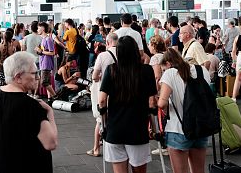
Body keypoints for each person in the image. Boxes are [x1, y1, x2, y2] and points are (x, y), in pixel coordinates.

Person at [0, 51, 58, 173]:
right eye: (34, 73)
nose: (38, 77)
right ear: (18, 77)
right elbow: (51, 143)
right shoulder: (32, 107)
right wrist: (50, 112)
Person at [98, 36, 157, 173]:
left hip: (115, 128)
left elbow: (102, 100)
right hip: (137, 128)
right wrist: (154, 128)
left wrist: (104, 119)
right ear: (136, 51)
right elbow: (152, 101)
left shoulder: (111, 70)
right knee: (139, 169)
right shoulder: (146, 71)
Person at [157, 48, 210, 173]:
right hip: (201, 127)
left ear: (168, 64)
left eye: (163, 68)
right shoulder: (201, 70)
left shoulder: (170, 74)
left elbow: (162, 103)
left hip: (178, 129)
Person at [88, 33, 118, 157]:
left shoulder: (103, 55)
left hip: (105, 90)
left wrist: (100, 76)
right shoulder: (124, 54)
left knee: (101, 118)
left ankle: (96, 148)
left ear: (108, 42)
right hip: (120, 90)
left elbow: (94, 76)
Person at [35, 22, 56, 103]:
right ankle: (50, 98)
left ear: (43, 29)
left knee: (44, 82)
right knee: (47, 82)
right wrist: (39, 51)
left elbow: (52, 53)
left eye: (38, 28)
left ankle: (55, 96)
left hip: (46, 63)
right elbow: (43, 51)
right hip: (42, 62)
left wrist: (41, 51)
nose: (37, 30)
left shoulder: (48, 39)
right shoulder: (43, 39)